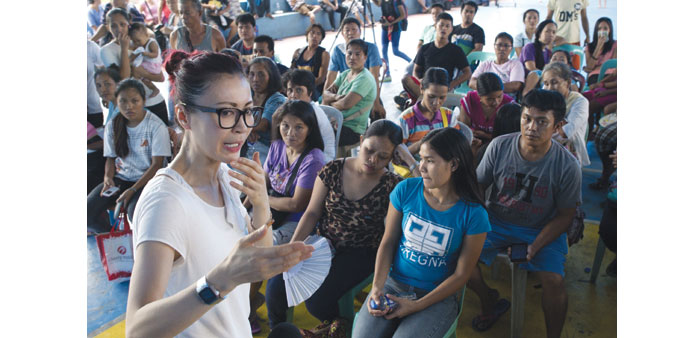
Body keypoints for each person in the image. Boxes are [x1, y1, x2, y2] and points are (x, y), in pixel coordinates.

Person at [125, 51, 310, 338]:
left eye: (248, 111)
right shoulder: (166, 203)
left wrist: (261, 202)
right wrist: (221, 280)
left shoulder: (223, 174)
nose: (242, 127)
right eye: (226, 112)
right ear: (184, 116)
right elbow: (137, 329)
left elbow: (258, 263)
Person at [265, 120, 406, 334]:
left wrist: (410, 162)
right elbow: (312, 213)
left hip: (362, 251)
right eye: (369, 150)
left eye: (383, 156)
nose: (373, 159)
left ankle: (340, 325)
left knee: (318, 301)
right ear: (361, 141)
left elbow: (391, 233)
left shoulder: (392, 185)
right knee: (276, 286)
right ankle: (280, 331)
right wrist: (293, 247)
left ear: (394, 155)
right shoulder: (333, 169)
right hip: (322, 242)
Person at [352, 127, 490, 338]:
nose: (421, 167)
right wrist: (377, 288)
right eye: (421, 159)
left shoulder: (474, 214)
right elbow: (388, 241)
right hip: (393, 284)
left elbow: (462, 274)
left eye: (430, 161)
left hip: (436, 297)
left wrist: (416, 305)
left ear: (453, 164)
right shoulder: (406, 190)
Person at [469, 89, 581, 337]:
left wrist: (535, 245)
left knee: (554, 281)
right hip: (496, 221)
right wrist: (475, 219)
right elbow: (479, 185)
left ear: (557, 125)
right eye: (527, 118)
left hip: (541, 228)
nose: (531, 127)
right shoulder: (499, 146)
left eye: (542, 122)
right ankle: (490, 302)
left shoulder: (567, 166)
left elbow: (564, 215)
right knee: (456, 255)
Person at [87, 78, 171, 234]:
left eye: (135, 101)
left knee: (135, 213)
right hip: (121, 178)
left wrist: (132, 190)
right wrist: (108, 178)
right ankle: (116, 240)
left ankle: (139, 247)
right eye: (123, 101)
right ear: (116, 102)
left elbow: (157, 165)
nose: (129, 106)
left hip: (148, 180)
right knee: (87, 214)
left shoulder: (155, 126)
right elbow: (110, 158)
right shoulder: (114, 124)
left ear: (144, 101)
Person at [100, 8, 169, 125]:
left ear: (129, 24)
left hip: (154, 101)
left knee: (164, 139)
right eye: (114, 26)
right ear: (108, 27)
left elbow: (160, 77)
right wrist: (123, 48)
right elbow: (124, 79)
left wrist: (139, 72)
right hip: (132, 108)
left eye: (122, 24)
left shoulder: (139, 42)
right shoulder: (106, 50)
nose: (119, 29)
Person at [323, 39, 377, 158]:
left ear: (365, 57)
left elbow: (346, 103)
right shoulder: (345, 74)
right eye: (349, 53)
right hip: (337, 123)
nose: (352, 57)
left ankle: (330, 171)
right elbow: (325, 94)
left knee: (317, 136)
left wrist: (330, 104)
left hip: (352, 129)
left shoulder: (364, 78)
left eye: (357, 54)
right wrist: (336, 97)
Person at [325, 18, 385, 120]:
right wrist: (325, 104)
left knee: (378, 115)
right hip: (345, 93)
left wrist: (377, 103)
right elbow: (330, 77)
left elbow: (374, 76)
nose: (350, 33)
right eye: (347, 30)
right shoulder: (337, 50)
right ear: (342, 34)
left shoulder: (371, 48)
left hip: (366, 91)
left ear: (360, 32)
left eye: (354, 29)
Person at [404, 12, 470, 104]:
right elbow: (416, 70)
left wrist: (452, 84)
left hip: (443, 88)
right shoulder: (424, 48)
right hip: (425, 85)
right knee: (405, 79)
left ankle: (420, 102)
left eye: (447, 26)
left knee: (426, 100)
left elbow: (467, 72)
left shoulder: (456, 50)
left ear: (451, 29)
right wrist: (419, 80)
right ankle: (423, 100)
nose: (444, 28)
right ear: (435, 26)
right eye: (441, 25)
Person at [398, 67, 461, 158]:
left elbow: (455, 147)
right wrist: (421, 144)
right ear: (422, 89)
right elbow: (397, 156)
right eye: (431, 96)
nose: (436, 103)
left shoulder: (449, 117)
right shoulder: (406, 120)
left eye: (442, 97)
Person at [542, 61, 590, 166]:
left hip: (569, 152)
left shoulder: (579, 102)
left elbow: (566, 133)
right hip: (543, 146)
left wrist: (544, 131)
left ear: (568, 83)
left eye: (554, 82)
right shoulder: (544, 98)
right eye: (546, 83)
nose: (549, 88)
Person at [283, 69, 337, 161]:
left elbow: (309, 146)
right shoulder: (296, 109)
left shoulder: (312, 112)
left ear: (310, 92)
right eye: (290, 90)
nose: (293, 95)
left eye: (299, 90)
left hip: (321, 159)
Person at [247, 57, 287, 164]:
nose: (255, 79)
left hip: (268, 150)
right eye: (252, 74)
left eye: (261, 74)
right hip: (248, 144)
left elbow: (262, 125)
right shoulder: (247, 95)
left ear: (271, 77)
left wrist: (244, 130)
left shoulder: (276, 99)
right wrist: (249, 132)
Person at [459, 72, 514, 147]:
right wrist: (472, 137)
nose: (496, 102)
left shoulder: (509, 105)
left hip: (498, 145)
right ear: (479, 96)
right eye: (490, 99)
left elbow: (508, 137)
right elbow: (464, 130)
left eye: (499, 96)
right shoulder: (469, 101)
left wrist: (486, 135)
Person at [470, 32, 525, 97]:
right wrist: (492, 88)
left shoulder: (515, 64)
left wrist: (489, 88)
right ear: (494, 46)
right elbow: (472, 82)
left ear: (511, 49)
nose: (502, 48)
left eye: (506, 46)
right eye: (499, 45)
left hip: (504, 100)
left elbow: (515, 86)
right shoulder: (486, 64)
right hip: (483, 98)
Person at [373, 0, 412, 83]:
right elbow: (378, 4)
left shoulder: (397, 2)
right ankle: (387, 74)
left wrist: (391, 23)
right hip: (385, 28)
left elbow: (402, 15)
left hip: (396, 28)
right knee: (384, 50)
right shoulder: (382, 1)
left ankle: (412, 62)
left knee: (395, 51)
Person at [521, 49, 586, 98]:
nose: (557, 61)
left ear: (568, 65)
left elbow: (574, 98)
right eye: (554, 58)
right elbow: (526, 94)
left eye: (562, 60)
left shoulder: (569, 80)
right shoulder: (537, 73)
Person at [290, 24, 331, 101]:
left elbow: (321, 79)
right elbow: (290, 72)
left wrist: (304, 88)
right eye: (312, 33)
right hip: (296, 87)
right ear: (307, 35)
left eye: (318, 34)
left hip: (314, 89)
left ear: (321, 38)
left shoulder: (324, 54)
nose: (315, 36)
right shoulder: (298, 52)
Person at [128, 23, 164, 98]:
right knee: (144, 80)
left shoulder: (152, 43)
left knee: (136, 70)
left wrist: (146, 54)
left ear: (146, 35)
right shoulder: (141, 46)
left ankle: (136, 87)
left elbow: (155, 54)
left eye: (138, 40)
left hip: (154, 66)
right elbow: (135, 54)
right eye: (134, 41)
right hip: (149, 64)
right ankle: (154, 89)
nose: (136, 43)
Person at [584, 17, 617, 85]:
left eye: (605, 29)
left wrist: (598, 67)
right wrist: (598, 46)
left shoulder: (615, 45)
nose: (602, 31)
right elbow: (589, 67)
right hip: (595, 75)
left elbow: (613, 65)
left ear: (610, 31)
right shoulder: (589, 47)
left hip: (611, 75)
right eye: (599, 29)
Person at [582, 70, 616, 134]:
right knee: (584, 97)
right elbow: (613, 75)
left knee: (591, 106)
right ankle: (582, 128)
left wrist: (605, 91)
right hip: (609, 89)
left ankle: (588, 133)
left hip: (615, 93)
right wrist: (598, 84)